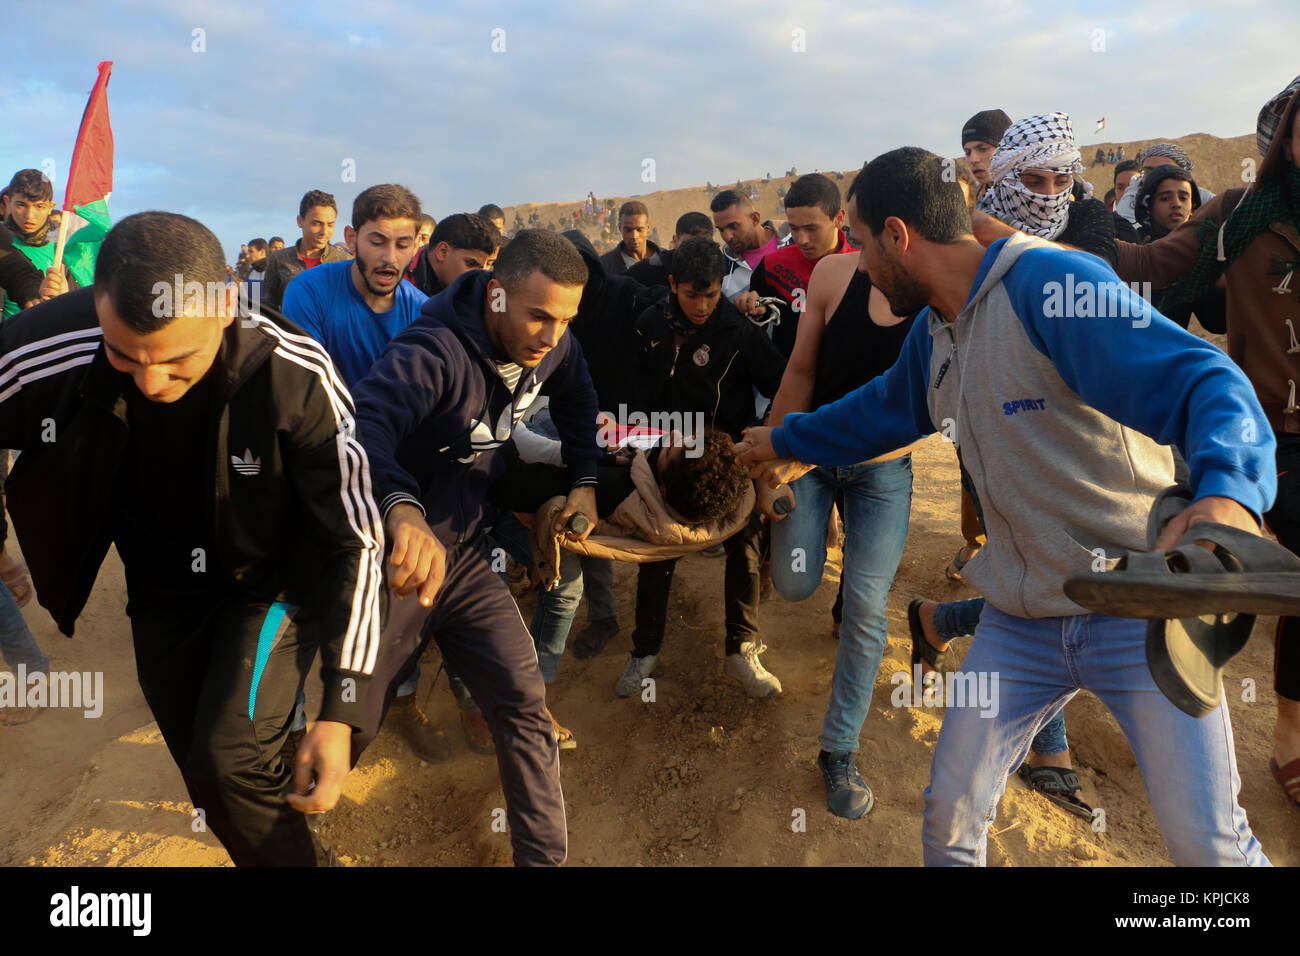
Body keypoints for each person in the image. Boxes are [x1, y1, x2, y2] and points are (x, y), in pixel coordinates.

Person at [737, 145, 1272, 866]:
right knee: (950, 821)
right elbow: (878, 413)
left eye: (861, 244)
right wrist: (782, 439)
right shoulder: (936, 334)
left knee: (1209, 851)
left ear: (898, 236)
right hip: (1020, 623)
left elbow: (1209, 383)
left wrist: (1227, 501)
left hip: (1135, 607)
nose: (858, 266)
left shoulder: (1050, 286)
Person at [0, 211, 386, 865]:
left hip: (272, 581)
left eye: (179, 361)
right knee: (205, 773)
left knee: (227, 756)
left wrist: (343, 707)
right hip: (159, 587)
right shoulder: (49, 344)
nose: (151, 383)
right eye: (124, 356)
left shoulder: (295, 373)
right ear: (97, 309)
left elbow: (356, 539)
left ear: (226, 306)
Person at [350, 229, 601, 866]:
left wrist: (586, 482)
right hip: (392, 558)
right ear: (495, 295)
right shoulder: (431, 350)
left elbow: (579, 399)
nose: (551, 335)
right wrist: (400, 509)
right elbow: (362, 428)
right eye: (538, 315)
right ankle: (283, 816)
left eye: (564, 319)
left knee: (523, 702)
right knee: (351, 715)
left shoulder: (556, 344)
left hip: (464, 552)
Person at [1115, 74, 1300, 808]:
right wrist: (1064, 230)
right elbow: (1148, 268)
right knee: (1228, 567)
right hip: (1262, 434)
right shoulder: (1241, 214)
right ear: (1286, 138)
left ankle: (1285, 721)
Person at [760, 168, 917, 818]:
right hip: (811, 461)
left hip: (882, 468)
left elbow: (915, 421)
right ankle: (819, 533)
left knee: (865, 608)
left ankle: (839, 749)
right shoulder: (830, 277)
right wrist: (771, 453)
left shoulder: (932, 298)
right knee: (796, 583)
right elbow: (799, 371)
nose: (840, 235)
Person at [280, 184, 453, 761]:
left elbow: (420, 406)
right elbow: (304, 390)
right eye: (377, 241)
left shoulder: (421, 310)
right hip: (313, 464)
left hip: (384, 471)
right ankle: (294, 727)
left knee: (393, 594)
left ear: (417, 246)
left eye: (403, 244)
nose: (389, 256)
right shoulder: (309, 290)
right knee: (302, 599)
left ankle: (400, 700)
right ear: (352, 239)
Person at [619, 238, 786, 698]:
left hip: (727, 461)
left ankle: (742, 649)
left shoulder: (738, 329)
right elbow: (632, 396)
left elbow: (784, 384)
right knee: (659, 550)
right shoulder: (649, 325)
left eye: (711, 294)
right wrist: (639, 443)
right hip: (663, 458)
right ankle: (645, 650)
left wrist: (761, 435)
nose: (702, 305)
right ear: (672, 284)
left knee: (745, 543)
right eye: (693, 295)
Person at [741, 173, 854, 358]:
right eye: (794, 228)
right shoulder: (772, 265)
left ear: (839, 218)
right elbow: (759, 318)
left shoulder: (864, 269)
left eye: (811, 229)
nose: (802, 240)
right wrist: (753, 309)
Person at [2, 169, 101, 317]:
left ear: (50, 206)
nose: (30, 215)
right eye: (21, 205)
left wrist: (65, 296)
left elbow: (84, 303)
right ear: (8, 202)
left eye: (39, 206)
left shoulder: (66, 248)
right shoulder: (3, 240)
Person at [261, 189, 353, 313]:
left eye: (330, 225)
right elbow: (267, 307)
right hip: (289, 331)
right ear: (300, 221)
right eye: (316, 224)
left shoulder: (344, 261)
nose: (324, 232)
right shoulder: (278, 259)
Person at [710, 188, 791, 303]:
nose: (727, 236)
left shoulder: (798, 241)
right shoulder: (723, 272)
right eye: (721, 230)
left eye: (733, 226)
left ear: (754, 219)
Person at [1114, 142, 1215, 225]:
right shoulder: (1130, 200)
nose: (1155, 177)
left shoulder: (1205, 199)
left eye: (1165, 170)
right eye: (1149, 172)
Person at [408, 212, 501, 298]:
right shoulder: (398, 285)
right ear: (442, 251)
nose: (478, 275)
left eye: (486, 265)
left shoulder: (485, 296)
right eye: (471, 264)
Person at [625, 211, 714, 288]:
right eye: (688, 245)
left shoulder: (721, 269)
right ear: (675, 241)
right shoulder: (651, 268)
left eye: (702, 245)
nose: (695, 252)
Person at [960, 109, 1013, 199]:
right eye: (968, 153)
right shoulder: (969, 196)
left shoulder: (1030, 194)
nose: (973, 159)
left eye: (983, 149)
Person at [599, 200, 661, 276]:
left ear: (647, 228)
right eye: (628, 230)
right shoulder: (605, 265)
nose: (634, 236)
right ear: (620, 228)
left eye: (639, 230)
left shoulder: (666, 260)